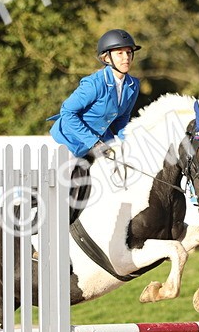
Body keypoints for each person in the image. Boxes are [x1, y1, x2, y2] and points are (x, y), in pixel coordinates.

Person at [49, 28, 142, 223]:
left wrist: (127, 141)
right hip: (70, 141)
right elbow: (67, 112)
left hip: (101, 140)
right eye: (120, 53)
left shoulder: (132, 85)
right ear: (106, 58)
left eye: (129, 52)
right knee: (69, 188)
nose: (126, 58)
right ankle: (49, 231)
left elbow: (122, 119)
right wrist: (93, 142)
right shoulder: (94, 84)